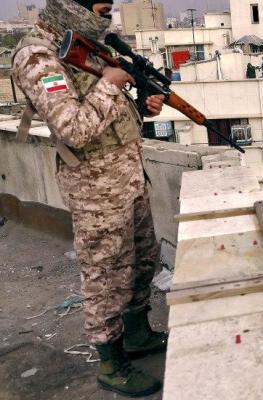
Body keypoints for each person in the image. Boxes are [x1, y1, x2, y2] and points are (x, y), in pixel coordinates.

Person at [11, 0, 167, 397]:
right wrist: (110, 84)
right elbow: (74, 129)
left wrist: (144, 106)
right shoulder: (38, 55)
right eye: (99, 7)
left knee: (143, 257)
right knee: (105, 276)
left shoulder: (86, 43)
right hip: (95, 189)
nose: (105, 14)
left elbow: (113, 113)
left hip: (129, 177)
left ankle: (136, 334)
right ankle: (112, 363)